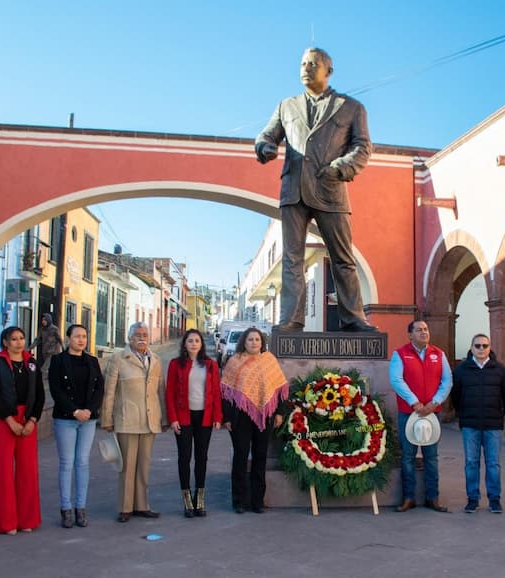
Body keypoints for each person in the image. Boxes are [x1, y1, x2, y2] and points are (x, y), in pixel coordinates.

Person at [255, 47, 375, 333]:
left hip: (330, 188)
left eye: (313, 64)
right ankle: (291, 320)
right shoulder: (287, 106)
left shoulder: (351, 107)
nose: (306, 68)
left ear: (328, 71)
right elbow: (266, 134)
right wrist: (264, 146)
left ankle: (353, 318)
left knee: (343, 259)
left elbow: (363, 147)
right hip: (293, 190)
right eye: (303, 63)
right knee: (292, 260)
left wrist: (339, 167)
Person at [101, 322, 167, 523]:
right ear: (129, 338)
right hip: (127, 419)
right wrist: (107, 418)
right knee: (127, 466)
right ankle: (125, 507)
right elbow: (109, 391)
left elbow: (160, 392)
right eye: (137, 334)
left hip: (150, 420)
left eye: (145, 334)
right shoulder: (118, 359)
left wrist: (164, 418)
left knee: (144, 465)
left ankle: (142, 505)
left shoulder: (155, 360)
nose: (142, 337)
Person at [221, 327, 288, 513]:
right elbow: (225, 392)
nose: (254, 343)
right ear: (244, 341)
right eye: (250, 339)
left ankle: (258, 501)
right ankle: (239, 501)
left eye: (257, 339)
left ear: (262, 342)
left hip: (265, 416)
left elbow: (279, 389)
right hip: (239, 417)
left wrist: (280, 413)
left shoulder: (269, 361)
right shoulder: (235, 362)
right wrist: (226, 417)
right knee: (240, 457)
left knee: (260, 457)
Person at [389, 320, 453, 513]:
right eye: (419, 330)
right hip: (409, 413)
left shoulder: (438, 354)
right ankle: (409, 498)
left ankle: (433, 498)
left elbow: (447, 380)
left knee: (431, 456)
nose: (424, 333)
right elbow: (396, 380)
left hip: (432, 414)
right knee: (408, 457)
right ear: (410, 335)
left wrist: (435, 402)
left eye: (425, 329)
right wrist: (414, 402)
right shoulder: (400, 354)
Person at [0, 326, 44, 534]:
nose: (19, 342)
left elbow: (39, 395)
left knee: (27, 470)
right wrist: (10, 420)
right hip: (4, 419)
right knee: (3, 470)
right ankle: (5, 522)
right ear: (5, 343)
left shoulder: (32, 363)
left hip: (28, 419)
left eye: (21, 338)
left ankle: (26, 520)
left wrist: (32, 420)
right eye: (14, 339)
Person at [48, 324, 105, 528]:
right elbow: (56, 390)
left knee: (82, 462)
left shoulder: (92, 361)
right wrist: (75, 411)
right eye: (77, 336)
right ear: (68, 338)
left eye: (84, 336)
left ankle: (81, 508)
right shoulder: (58, 361)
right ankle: (66, 508)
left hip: (88, 420)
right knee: (67, 463)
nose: (81, 340)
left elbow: (99, 387)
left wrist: (89, 410)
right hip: (66, 418)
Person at [451, 334, 505, 514]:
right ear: (471, 348)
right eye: (477, 346)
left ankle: (494, 499)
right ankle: (473, 499)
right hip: (470, 424)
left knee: (493, 464)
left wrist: (499, 414)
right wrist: (462, 414)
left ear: (489, 347)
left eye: (484, 346)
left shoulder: (501, 370)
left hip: (493, 424)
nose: (481, 349)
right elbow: (455, 396)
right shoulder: (461, 370)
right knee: (471, 462)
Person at [166, 329, 222, 518]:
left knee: (201, 457)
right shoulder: (175, 364)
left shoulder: (210, 365)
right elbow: (170, 393)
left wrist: (217, 417)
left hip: (204, 417)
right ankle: (187, 499)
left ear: (201, 344)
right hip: (183, 417)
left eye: (197, 341)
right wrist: (172, 418)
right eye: (190, 341)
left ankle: (200, 497)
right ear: (185, 344)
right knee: (184, 457)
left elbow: (216, 393)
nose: (193, 344)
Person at [28, 312, 63, 381]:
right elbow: (37, 340)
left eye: (45, 320)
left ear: (48, 320)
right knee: (50, 370)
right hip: (45, 352)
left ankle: (39, 383)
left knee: (44, 369)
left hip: (53, 353)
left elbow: (60, 340)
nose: (43, 321)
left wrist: (64, 351)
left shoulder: (54, 329)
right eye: (42, 320)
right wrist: (29, 348)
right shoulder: (42, 329)